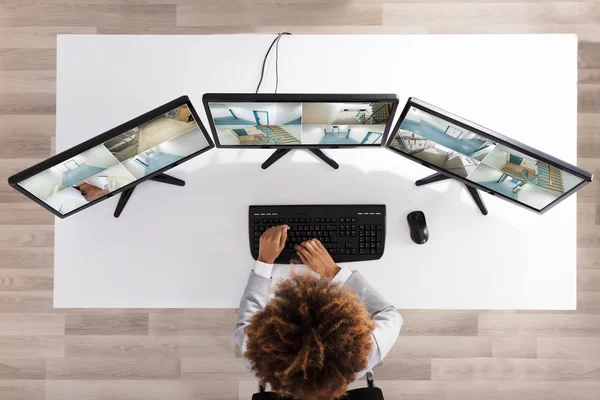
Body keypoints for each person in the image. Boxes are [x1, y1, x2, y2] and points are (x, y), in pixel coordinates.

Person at [234, 225, 403, 400]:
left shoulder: (260, 353)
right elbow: (389, 313)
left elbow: (247, 322)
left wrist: (264, 259)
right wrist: (333, 272)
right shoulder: (366, 350)